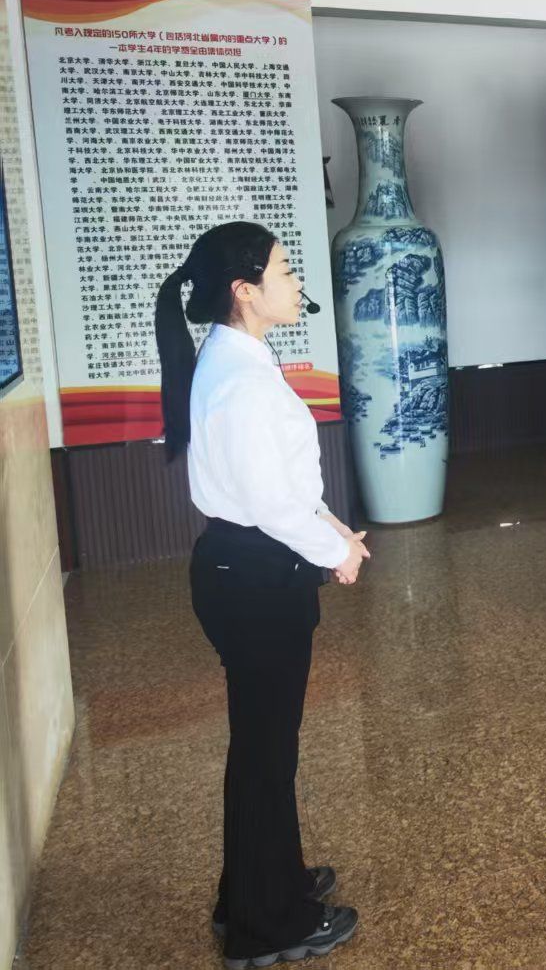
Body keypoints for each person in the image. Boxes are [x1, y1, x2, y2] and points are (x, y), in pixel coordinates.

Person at [154, 222, 363, 969]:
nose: (295, 280)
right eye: (284, 269)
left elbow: (280, 484)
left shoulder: (237, 355)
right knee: (266, 755)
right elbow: (269, 504)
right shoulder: (238, 380)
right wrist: (337, 552)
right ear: (245, 290)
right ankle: (266, 925)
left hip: (251, 568)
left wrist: (329, 525)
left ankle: (257, 886)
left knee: (264, 749)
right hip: (253, 576)